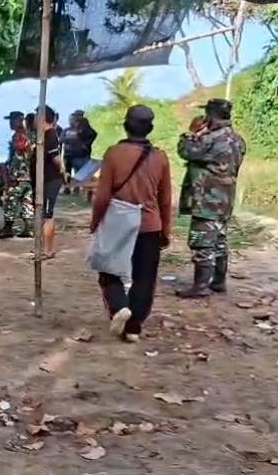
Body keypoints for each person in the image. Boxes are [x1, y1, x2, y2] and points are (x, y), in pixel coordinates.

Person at [91, 105, 173, 343]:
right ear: (150, 128)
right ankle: (134, 326)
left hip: (118, 222)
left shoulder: (113, 153)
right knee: (144, 277)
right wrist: (166, 230)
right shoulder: (160, 157)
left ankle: (119, 306)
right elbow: (165, 200)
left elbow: (103, 196)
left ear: (126, 125)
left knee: (108, 269)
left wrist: (96, 222)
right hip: (149, 225)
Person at [176, 99, 246, 298]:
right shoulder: (238, 140)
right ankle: (218, 281)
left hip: (207, 200)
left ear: (210, 115)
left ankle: (200, 287)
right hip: (226, 200)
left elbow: (185, 151)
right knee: (220, 240)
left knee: (202, 242)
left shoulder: (210, 139)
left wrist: (191, 134)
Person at [30, 106, 65, 258]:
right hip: (41, 181)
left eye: (37, 116)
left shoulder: (51, 135)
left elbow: (56, 158)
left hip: (50, 180)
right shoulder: (42, 135)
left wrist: (63, 171)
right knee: (41, 214)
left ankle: (48, 250)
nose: (35, 119)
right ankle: (41, 247)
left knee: (47, 215)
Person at [0, 111, 33, 238]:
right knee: (26, 200)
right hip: (28, 174)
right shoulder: (32, 135)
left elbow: (19, 155)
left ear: (20, 120)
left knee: (11, 199)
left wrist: (8, 171)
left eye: (12, 120)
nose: (10, 123)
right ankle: (28, 228)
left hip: (18, 174)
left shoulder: (20, 136)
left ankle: (8, 228)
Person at [62, 110, 98, 194]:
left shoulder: (83, 124)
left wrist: (85, 144)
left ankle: (81, 189)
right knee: (72, 172)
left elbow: (93, 134)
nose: (75, 118)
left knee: (82, 173)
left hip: (81, 154)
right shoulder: (72, 127)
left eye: (77, 116)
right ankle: (71, 188)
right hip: (72, 153)